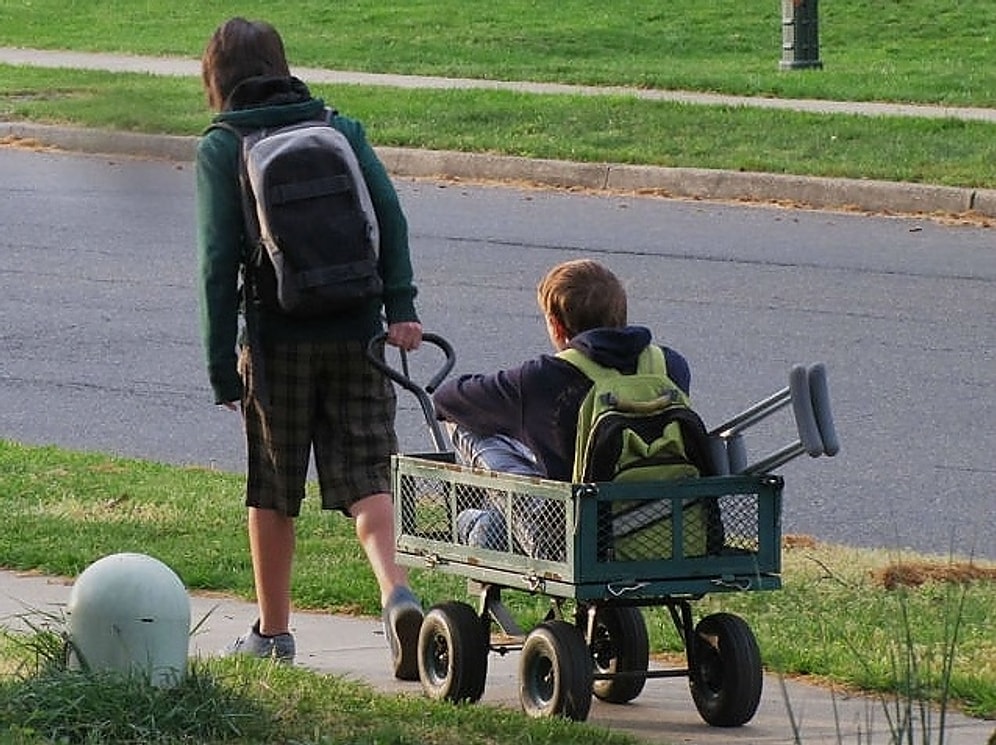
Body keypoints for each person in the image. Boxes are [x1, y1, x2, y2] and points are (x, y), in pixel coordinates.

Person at [195, 17, 423, 680]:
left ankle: (273, 632)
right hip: (359, 329)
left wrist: (222, 368)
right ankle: (397, 594)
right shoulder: (337, 125)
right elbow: (390, 215)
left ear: (216, 79)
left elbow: (216, 263)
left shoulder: (223, 146)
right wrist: (400, 306)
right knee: (368, 476)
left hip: (276, 338)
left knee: (273, 487)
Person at [432, 259, 692, 556]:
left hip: (572, 542)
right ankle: (494, 523)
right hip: (669, 527)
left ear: (555, 323)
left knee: (466, 422)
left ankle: (481, 524)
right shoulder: (670, 365)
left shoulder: (543, 377)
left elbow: (446, 398)